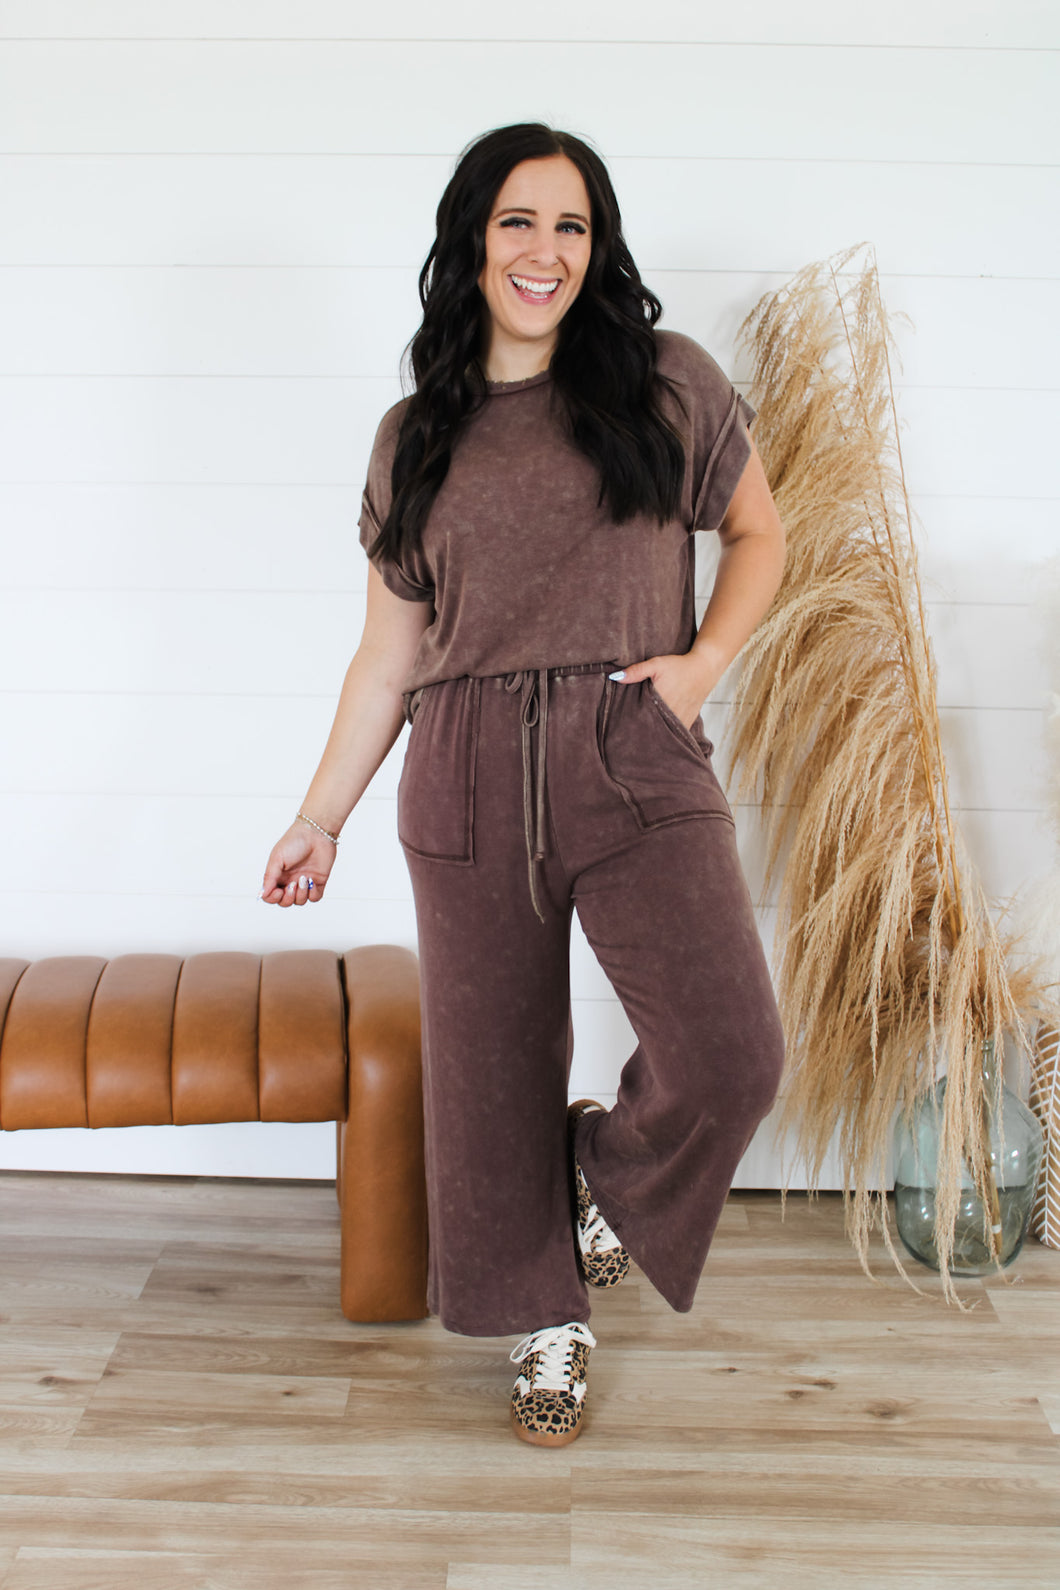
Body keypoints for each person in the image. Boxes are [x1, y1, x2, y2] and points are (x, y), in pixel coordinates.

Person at [261, 123, 787, 1448]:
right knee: (491, 1077)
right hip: (464, 766)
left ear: (596, 249)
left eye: (571, 225)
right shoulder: (414, 437)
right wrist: (318, 816)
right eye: (517, 221)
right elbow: (389, 656)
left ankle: (597, 1177)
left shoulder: (664, 383)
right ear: (472, 241)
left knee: (732, 1053)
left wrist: (699, 668)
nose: (544, 251)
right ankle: (546, 1323)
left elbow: (759, 534)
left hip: (632, 741)